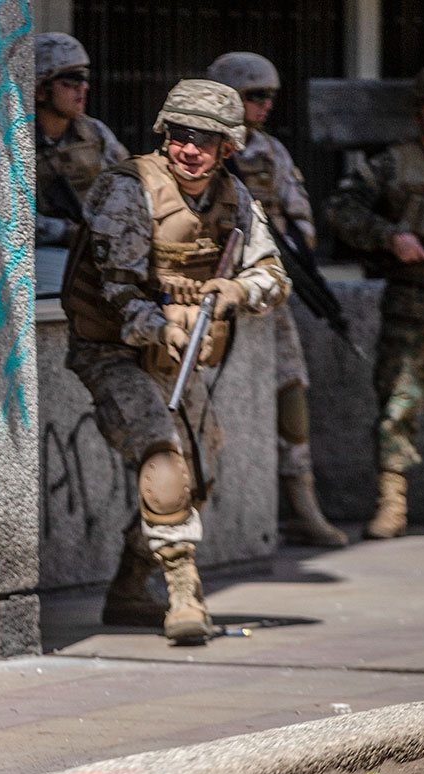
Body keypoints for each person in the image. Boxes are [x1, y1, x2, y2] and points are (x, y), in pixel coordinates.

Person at [61, 79, 290, 643]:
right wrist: (164, 327)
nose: (191, 150)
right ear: (166, 135)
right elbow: (118, 293)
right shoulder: (128, 188)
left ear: (227, 148)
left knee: (200, 469)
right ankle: (184, 592)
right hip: (113, 349)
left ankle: (130, 586)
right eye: (182, 136)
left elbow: (272, 273)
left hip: (176, 355)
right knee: (162, 455)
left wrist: (238, 293)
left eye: (206, 141)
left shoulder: (234, 198)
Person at [327, 62, 424, 539]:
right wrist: (389, 236)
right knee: (398, 403)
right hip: (414, 301)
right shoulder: (393, 163)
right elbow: (341, 209)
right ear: (419, 114)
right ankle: (391, 502)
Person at [206, 52, 347, 547]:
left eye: (270, 96)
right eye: (254, 96)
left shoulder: (271, 152)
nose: (265, 105)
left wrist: (293, 253)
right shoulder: (195, 150)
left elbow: (299, 214)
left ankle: (300, 499)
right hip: (209, 290)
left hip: (269, 288)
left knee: (291, 385)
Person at [34, 32, 128, 247]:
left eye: (84, 78)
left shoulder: (95, 133)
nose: (83, 87)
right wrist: (65, 231)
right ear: (39, 91)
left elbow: (127, 185)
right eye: (71, 80)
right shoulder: (16, 142)